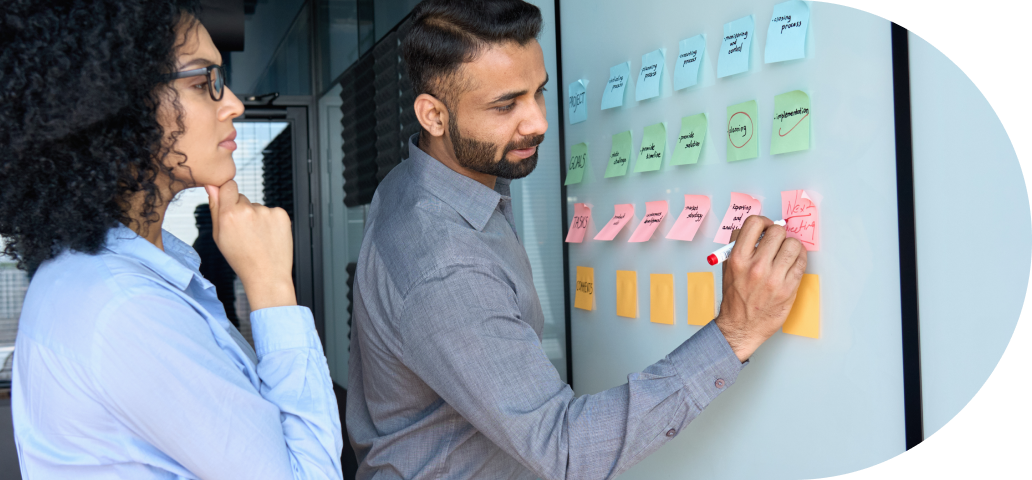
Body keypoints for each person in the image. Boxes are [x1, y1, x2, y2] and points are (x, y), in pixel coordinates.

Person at [345, 1, 808, 479]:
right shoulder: (445, 266)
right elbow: (564, 450)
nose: (538, 122)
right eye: (505, 105)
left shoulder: (421, 182)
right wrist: (735, 333)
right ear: (433, 116)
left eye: (538, 92)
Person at [0, 1, 342, 478]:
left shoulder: (104, 275)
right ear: (117, 103)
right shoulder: (126, 308)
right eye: (204, 83)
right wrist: (271, 286)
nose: (234, 104)